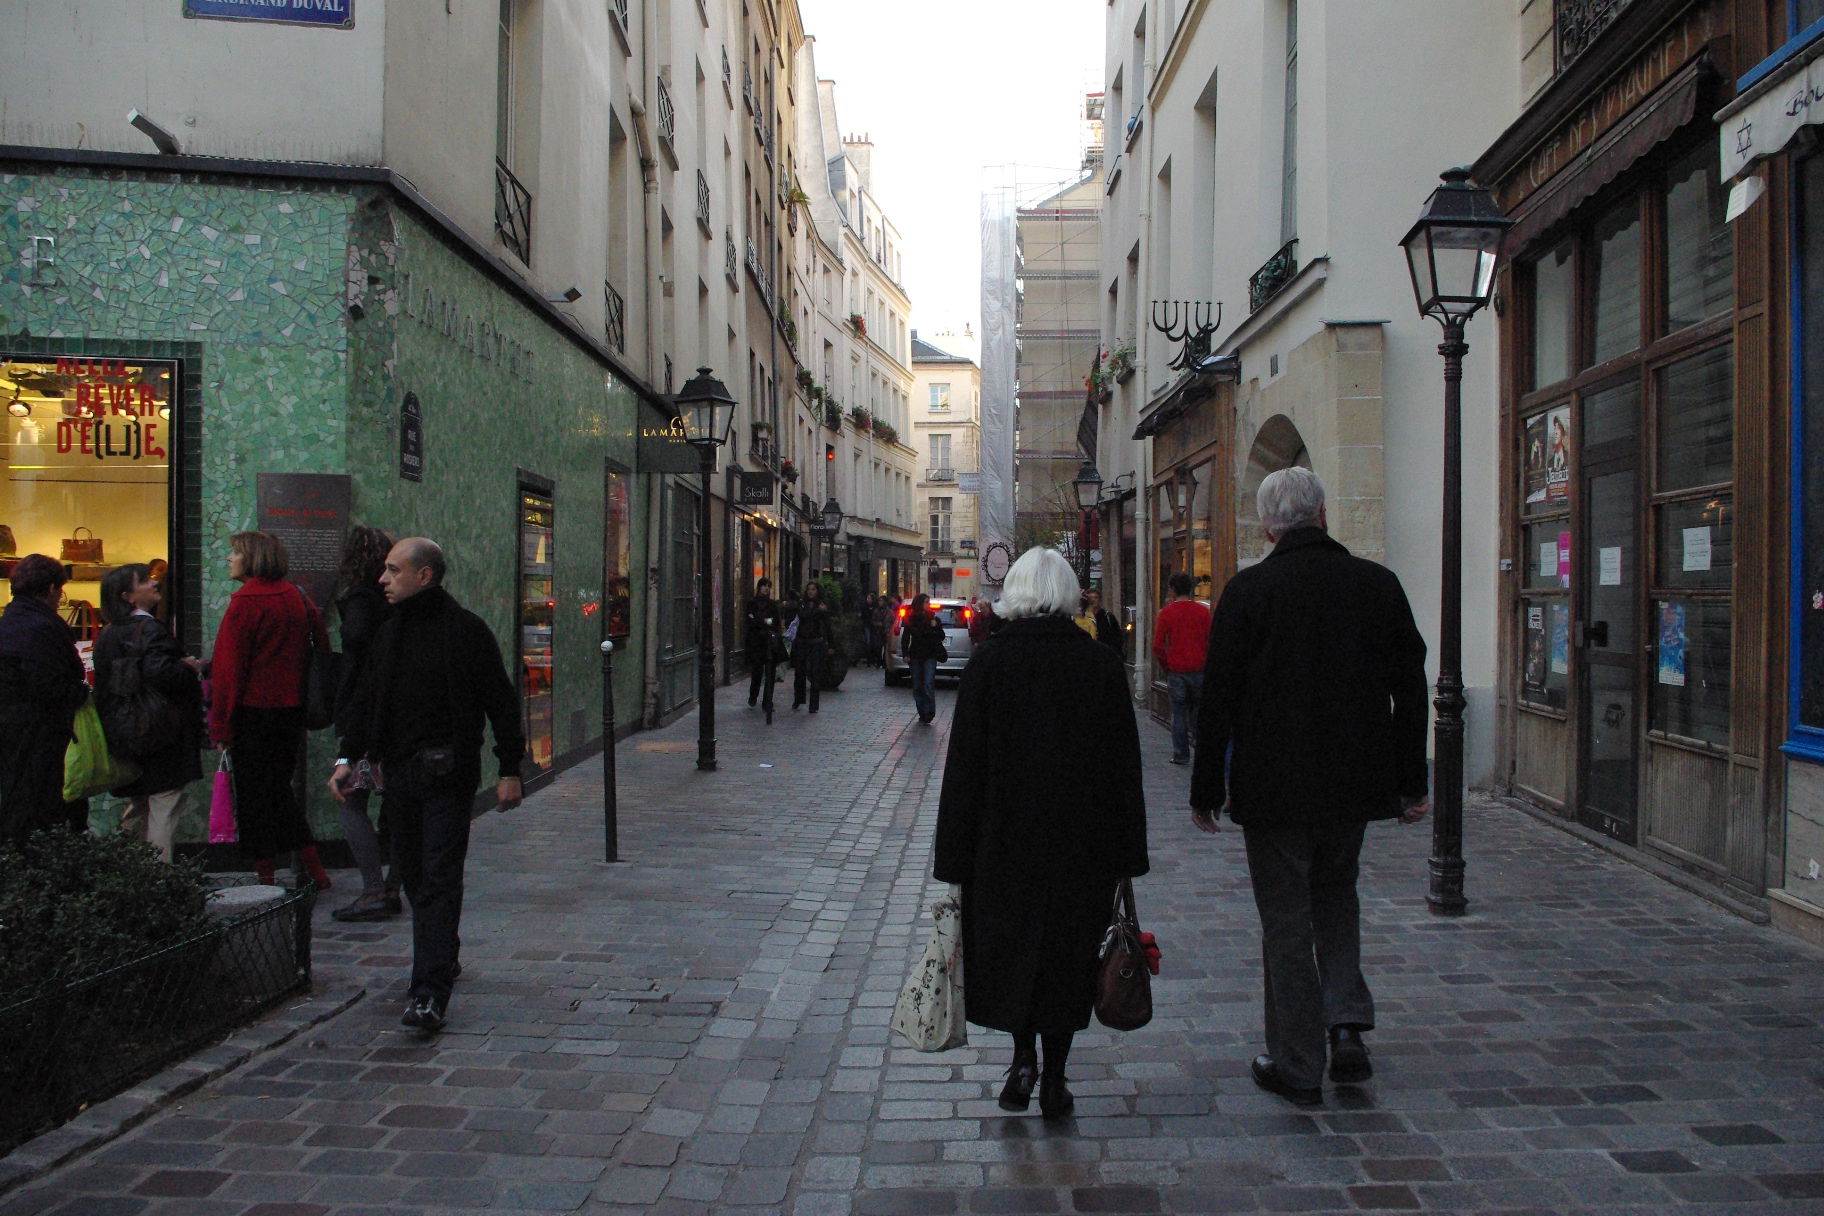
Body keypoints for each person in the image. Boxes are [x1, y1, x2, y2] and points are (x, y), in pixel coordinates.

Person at [1189, 468, 1430, 1107]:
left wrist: (1206, 786)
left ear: (1268, 526)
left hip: (1274, 788)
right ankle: (1346, 1022)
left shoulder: (1250, 592)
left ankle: (1298, 1061)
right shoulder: (1375, 585)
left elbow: (1219, 698)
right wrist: (1412, 781)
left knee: (1287, 920)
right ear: (1322, 515)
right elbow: (1410, 684)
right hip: (1354, 781)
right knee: (1337, 895)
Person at [935, 547, 1148, 1122]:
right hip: (1082, 846)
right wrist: (1129, 851)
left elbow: (965, 769)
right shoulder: (1100, 665)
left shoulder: (988, 664)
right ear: (1068, 593)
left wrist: (953, 856)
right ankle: (1055, 1076)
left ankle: (1021, 1058)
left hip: (1002, 844)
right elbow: (1123, 769)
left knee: (1013, 952)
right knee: (1067, 958)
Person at [330, 538, 525, 1035]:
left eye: (393, 570)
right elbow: (368, 701)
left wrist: (509, 769)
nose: (382, 579)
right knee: (415, 876)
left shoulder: (464, 631)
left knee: (438, 876)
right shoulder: (388, 633)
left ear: (425, 575)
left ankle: (428, 992)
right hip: (400, 777)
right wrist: (348, 758)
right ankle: (444, 954)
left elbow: (500, 701)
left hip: (447, 774)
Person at [210, 530, 333, 889]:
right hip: (291, 709)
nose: (230, 559)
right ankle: (314, 868)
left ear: (251, 559)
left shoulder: (245, 604)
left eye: (235, 553)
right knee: (279, 791)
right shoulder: (296, 597)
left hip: (253, 712)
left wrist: (221, 727)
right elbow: (321, 644)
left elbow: (228, 673)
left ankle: (267, 875)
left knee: (253, 798)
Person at [95, 563, 202, 862]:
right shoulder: (152, 630)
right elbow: (162, 673)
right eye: (144, 580)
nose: (154, 583)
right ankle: (160, 881)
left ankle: (127, 874)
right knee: (164, 808)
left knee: (138, 805)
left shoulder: (108, 634)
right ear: (128, 596)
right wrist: (187, 667)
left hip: (125, 732)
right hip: (162, 733)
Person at [329, 526, 399, 922]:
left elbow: (356, 643)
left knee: (351, 797)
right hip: (392, 716)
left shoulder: (361, 599)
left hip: (364, 715)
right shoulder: (397, 603)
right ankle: (391, 885)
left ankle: (375, 888)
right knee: (396, 801)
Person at [0, 555, 91, 843]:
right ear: (52, 588)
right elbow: (54, 684)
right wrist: (81, 692)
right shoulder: (45, 627)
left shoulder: (8, 622)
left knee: (16, 799)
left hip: (10, 729)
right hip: (43, 733)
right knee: (48, 804)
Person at [1152, 572, 1211, 766]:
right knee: (1198, 713)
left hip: (1177, 669)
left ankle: (1181, 754)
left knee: (1178, 714)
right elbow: (1211, 640)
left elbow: (1158, 646)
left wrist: (1167, 666)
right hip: (1199, 668)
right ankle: (1202, 751)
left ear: (1172, 589)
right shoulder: (1202, 612)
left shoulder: (1167, 613)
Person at [900, 592, 944, 725]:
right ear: (920, 604)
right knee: (917, 685)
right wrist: (905, 653)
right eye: (926, 602)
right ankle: (922, 712)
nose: (928, 605)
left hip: (930, 655)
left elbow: (941, 636)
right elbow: (906, 637)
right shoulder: (911, 618)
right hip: (916, 655)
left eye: (929, 603)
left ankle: (930, 711)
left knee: (928, 684)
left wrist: (935, 627)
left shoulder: (933, 619)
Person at [790, 581, 830, 713]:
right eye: (809, 590)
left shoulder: (822, 605)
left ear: (817, 591)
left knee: (815, 674)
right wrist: (818, 611)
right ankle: (798, 698)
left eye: (813, 589)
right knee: (799, 672)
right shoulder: (803, 604)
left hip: (815, 642)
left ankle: (814, 705)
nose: (811, 592)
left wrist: (831, 644)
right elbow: (803, 615)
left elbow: (827, 625)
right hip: (802, 641)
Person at [744, 578, 780, 719]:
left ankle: (767, 701)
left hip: (769, 643)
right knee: (757, 672)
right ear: (759, 588)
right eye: (764, 586)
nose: (766, 588)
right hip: (756, 643)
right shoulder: (751, 603)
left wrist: (758, 620)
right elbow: (749, 621)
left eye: (768, 586)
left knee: (770, 673)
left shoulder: (772, 605)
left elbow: (775, 622)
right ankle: (753, 696)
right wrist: (765, 621)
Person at [1084, 588, 1123, 654]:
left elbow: (1117, 636)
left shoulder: (1108, 617)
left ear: (1099, 600)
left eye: (1095, 597)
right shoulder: (1082, 617)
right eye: (1090, 598)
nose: (1093, 600)